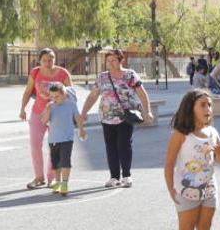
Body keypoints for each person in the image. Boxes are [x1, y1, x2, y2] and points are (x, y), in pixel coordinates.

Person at [163, 89, 220, 230]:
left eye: (209, 104)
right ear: (190, 108)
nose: (208, 108)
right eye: (203, 104)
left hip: (209, 189)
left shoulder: (212, 132)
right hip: (186, 191)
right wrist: (171, 190)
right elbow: (169, 164)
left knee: (205, 229)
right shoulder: (181, 135)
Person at [80, 49, 153, 188]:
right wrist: (84, 112)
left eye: (114, 60)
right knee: (111, 147)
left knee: (124, 145)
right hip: (106, 117)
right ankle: (114, 177)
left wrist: (147, 111)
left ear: (121, 60)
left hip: (125, 116)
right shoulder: (102, 77)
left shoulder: (130, 75)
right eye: (108, 61)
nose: (110, 63)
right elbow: (93, 96)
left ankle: (126, 175)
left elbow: (142, 93)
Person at [19, 48, 73, 189]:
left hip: (57, 116)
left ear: (55, 59)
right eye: (44, 60)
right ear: (40, 61)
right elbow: (27, 91)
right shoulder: (35, 72)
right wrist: (22, 108)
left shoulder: (63, 73)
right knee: (35, 146)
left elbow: (71, 95)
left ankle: (52, 178)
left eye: (51, 59)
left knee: (54, 146)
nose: (48, 63)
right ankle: (39, 177)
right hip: (38, 113)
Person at [40, 83, 85, 196]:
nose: (54, 99)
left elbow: (77, 118)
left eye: (57, 96)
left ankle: (64, 184)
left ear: (64, 95)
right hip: (53, 139)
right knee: (55, 163)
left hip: (67, 138)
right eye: (52, 97)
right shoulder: (50, 106)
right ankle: (58, 182)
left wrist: (81, 130)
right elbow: (44, 121)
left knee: (65, 161)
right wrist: (48, 110)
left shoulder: (71, 105)